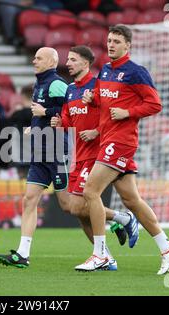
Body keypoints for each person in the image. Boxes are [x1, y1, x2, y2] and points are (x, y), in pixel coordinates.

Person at [76, 25, 169, 275]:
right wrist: (93, 99)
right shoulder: (106, 71)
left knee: (90, 191)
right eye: (109, 40)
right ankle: (167, 247)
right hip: (108, 139)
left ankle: (100, 254)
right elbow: (105, 100)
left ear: (127, 46)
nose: (111, 44)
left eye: (116, 41)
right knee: (131, 200)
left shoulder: (136, 72)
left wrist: (128, 112)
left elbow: (155, 104)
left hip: (121, 141)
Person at [50, 46, 139, 257]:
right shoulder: (71, 89)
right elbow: (69, 119)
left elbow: (111, 118)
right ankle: (106, 254)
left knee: (78, 206)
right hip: (77, 155)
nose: (68, 63)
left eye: (73, 59)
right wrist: (59, 122)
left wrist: (96, 132)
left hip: (97, 154)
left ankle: (122, 219)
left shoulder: (98, 86)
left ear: (85, 63)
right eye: (68, 59)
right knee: (78, 212)